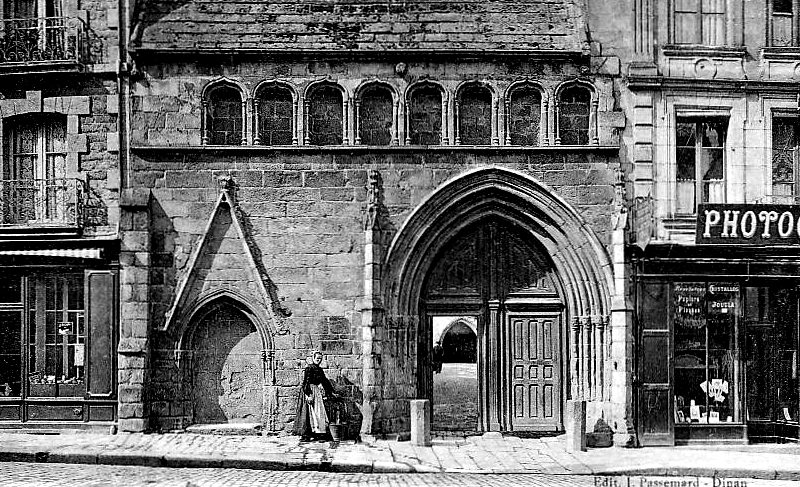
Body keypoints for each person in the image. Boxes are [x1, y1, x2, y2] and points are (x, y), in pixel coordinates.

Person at [293, 350, 337, 441]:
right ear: (313, 358)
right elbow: (306, 382)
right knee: (308, 413)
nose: (319, 360)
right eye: (317, 358)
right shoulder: (309, 368)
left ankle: (318, 433)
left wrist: (331, 392)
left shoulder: (320, 370)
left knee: (318, 413)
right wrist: (308, 395)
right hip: (309, 391)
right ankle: (307, 435)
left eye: (320, 359)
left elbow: (325, 382)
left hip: (316, 392)